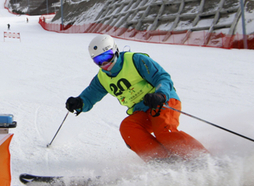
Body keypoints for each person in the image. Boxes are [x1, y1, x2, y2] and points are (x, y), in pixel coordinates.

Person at [66, 34, 208, 163]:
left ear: (115, 50)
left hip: (161, 103)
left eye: (107, 57)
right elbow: (91, 94)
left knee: (164, 133)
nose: (104, 64)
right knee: (128, 128)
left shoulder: (136, 60)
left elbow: (162, 77)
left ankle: (203, 159)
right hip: (141, 111)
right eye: (98, 60)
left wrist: (160, 95)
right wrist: (79, 102)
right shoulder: (102, 78)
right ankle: (162, 162)